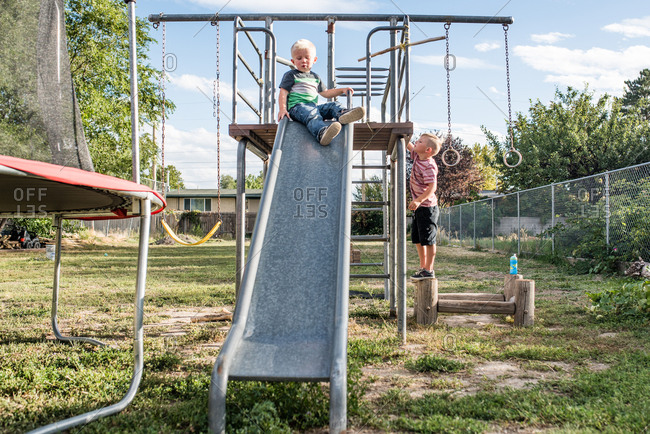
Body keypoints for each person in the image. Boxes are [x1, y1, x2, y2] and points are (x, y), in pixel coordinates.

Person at [278, 39, 365, 145]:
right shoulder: (291, 75)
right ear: (293, 61)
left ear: (314, 60)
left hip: (313, 107)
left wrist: (342, 90)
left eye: (307, 57)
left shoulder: (315, 77)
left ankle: (342, 114)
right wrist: (282, 109)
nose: (303, 61)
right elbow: (283, 92)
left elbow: (326, 93)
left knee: (332, 105)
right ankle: (321, 133)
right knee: (312, 114)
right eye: (299, 58)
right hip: (297, 108)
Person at [407, 133, 442, 280]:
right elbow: (409, 145)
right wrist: (403, 137)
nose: (416, 142)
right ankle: (422, 267)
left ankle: (429, 269)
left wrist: (418, 200)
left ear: (428, 150)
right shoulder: (417, 156)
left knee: (428, 239)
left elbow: (431, 188)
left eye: (420, 141)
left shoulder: (429, 165)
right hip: (420, 207)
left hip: (427, 207)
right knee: (417, 238)